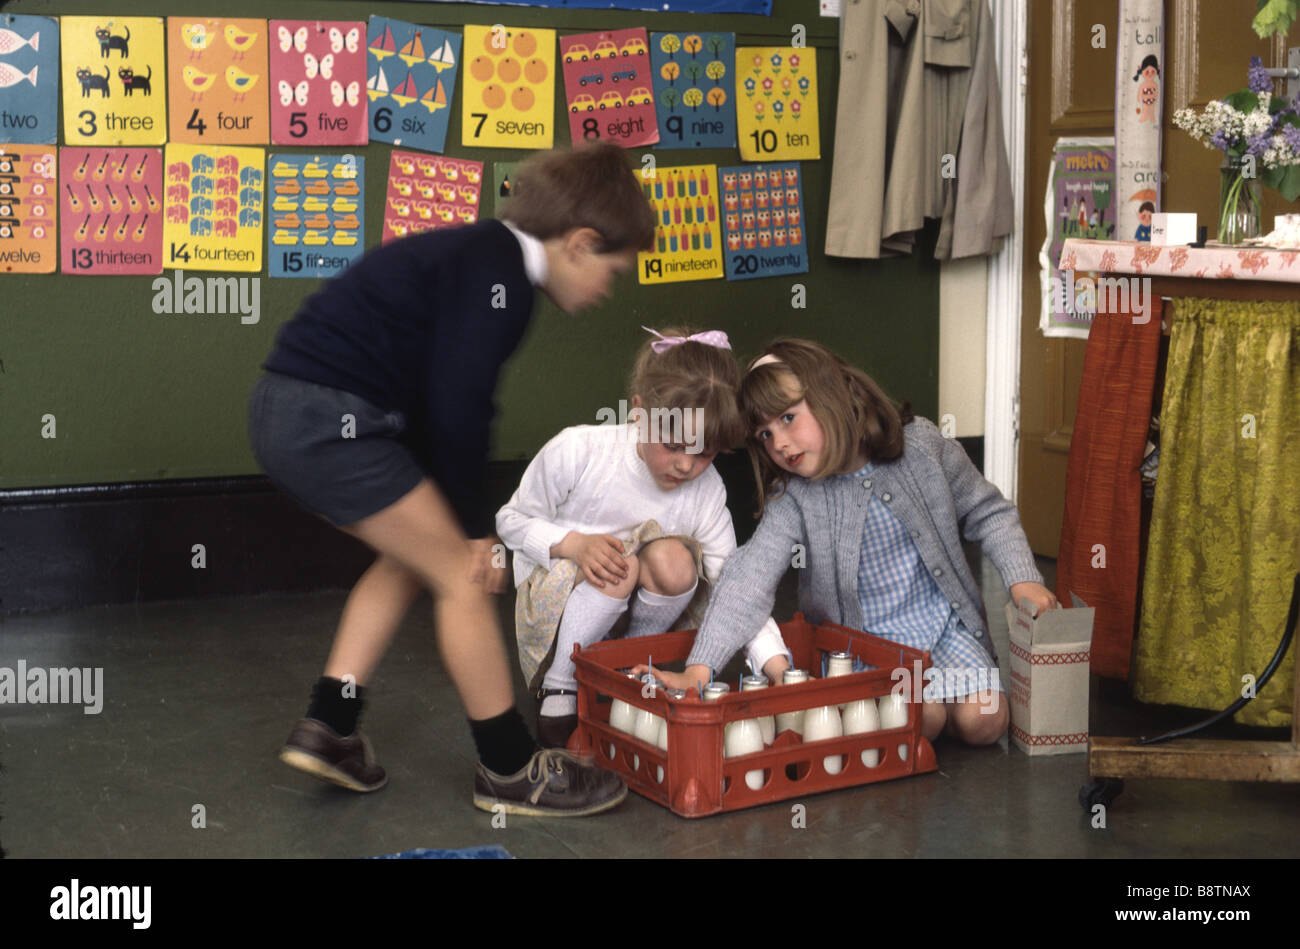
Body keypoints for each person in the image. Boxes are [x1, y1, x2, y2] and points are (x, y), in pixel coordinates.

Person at [247, 142, 652, 817]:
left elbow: (430, 392)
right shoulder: (503, 279)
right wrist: (476, 532)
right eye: (613, 269)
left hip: (288, 411)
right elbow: (459, 402)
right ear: (580, 243)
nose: (608, 289)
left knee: (410, 558)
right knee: (460, 574)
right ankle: (510, 767)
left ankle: (330, 724)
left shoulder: (478, 255)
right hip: (328, 417)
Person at [639, 339, 1058, 746]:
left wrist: (1023, 579)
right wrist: (700, 668)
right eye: (764, 435)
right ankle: (929, 719)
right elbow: (748, 579)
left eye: (787, 418)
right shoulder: (796, 497)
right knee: (919, 718)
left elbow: (988, 511)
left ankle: (946, 715)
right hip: (866, 647)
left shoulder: (923, 448)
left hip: (944, 628)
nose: (779, 444)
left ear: (830, 394)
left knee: (985, 721)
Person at [496, 327, 790, 749]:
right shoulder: (580, 451)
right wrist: (574, 544)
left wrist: (775, 662)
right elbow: (510, 519)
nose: (686, 466)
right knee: (621, 563)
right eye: (673, 444)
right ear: (638, 413)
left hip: (633, 607)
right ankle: (561, 685)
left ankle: (630, 664)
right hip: (561, 599)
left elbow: (736, 583)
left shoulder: (706, 492)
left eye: (705, 453)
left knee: (675, 562)